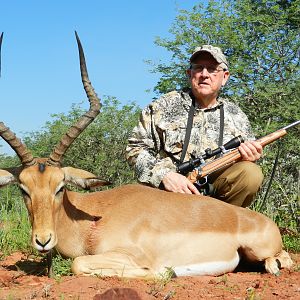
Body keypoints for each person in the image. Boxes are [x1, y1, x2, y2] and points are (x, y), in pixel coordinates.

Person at [126, 45, 263, 207]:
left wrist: (250, 158)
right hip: (166, 194)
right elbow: (135, 149)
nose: (204, 74)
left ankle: (219, 226)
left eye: (212, 69)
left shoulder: (237, 115)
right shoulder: (163, 106)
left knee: (251, 173)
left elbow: (245, 167)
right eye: (199, 68)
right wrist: (164, 176)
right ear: (189, 74)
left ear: (225, 77)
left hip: (214, 198)